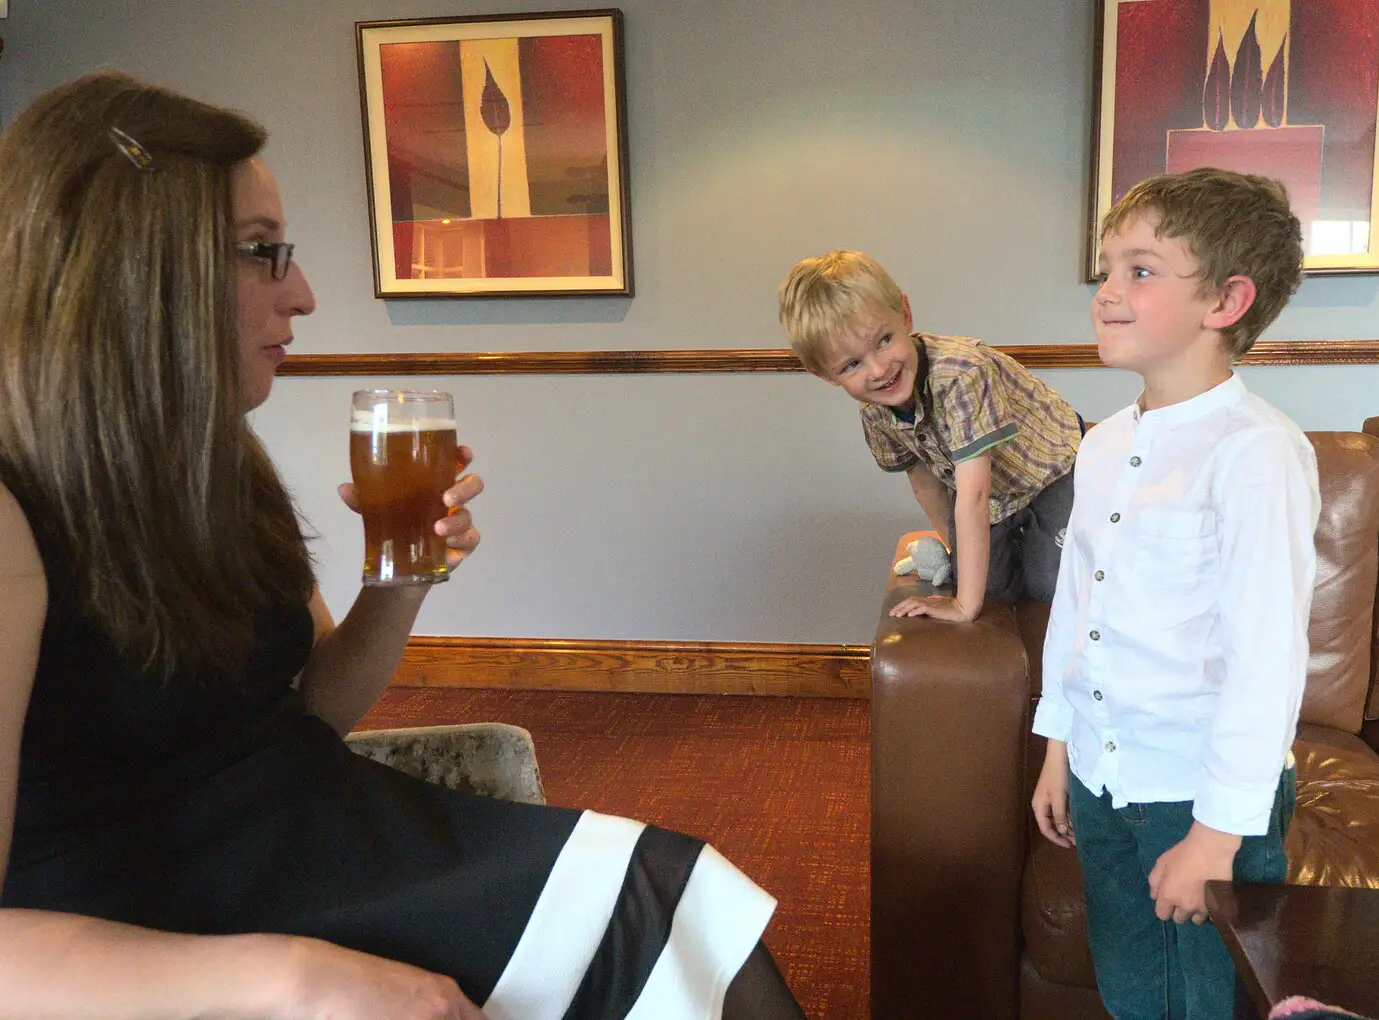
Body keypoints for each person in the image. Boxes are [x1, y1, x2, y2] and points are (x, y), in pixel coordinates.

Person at [0, 71, 804, 1020]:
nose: (301, 292)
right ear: (140, 270)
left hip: (317, 840)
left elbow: (308, 718)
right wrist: (295, 980)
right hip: (153, 932)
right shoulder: (13, 508)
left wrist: (400, 582)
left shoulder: (209, 456)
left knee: (670, 893)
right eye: (264, 252)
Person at [1028, 168, 1321, 1020]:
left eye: (1141, 270)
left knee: (1210, 999)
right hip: (1102, 773)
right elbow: (1077, 607)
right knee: (1131, 984)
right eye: (1106, 269)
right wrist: (1059, 744)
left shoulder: (1255, 452)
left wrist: (1219, 835)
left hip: (1201, 794)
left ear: (1226, 300)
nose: (1107, 292)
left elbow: (1267, 660)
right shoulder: (1104, 442)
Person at [778, 250, 1084, 622]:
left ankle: (1058, 534)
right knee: (991, 589)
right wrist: (959, 559)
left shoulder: (961, 374)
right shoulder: (875, 412)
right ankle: (1022, 541)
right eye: (852, 364)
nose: (879, 369)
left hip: (1053, 469)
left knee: (1046, 584)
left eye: (884, 340)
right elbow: (925, 484)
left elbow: (973, 495)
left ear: (905, 314)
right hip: (995, 493)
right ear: (826, 375)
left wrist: (963, 605)